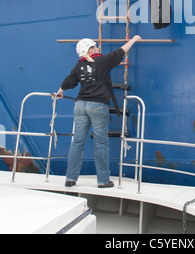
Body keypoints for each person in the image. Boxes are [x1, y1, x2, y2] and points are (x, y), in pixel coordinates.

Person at [57, 35, 141, 188]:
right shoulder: (102, 61)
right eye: (95, 46)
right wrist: (134, 39)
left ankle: (70, 178)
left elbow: (68, 81)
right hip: (97, 105)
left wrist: (60, 91)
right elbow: (121, 51)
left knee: (77, 142)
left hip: (80, 105)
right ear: (90, 49)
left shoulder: (79, 66)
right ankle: (103, 180)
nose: (98, 48)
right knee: (101, 143)